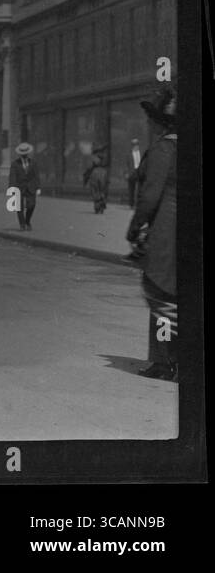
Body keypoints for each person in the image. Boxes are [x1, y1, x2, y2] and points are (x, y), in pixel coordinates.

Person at [127, 88, 177, 381]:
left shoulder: (163, 149)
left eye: (152, 119)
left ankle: (163, 363)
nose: (149, 123)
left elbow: (149, 197)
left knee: (159, 294)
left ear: (161, 122)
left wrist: (134, 227)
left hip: (167, 232)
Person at [8, 141, 40, 230]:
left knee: (31, 205)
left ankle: (27, 221)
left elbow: (36, 175)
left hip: (31, 187)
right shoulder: (15, 164)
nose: (24, 155)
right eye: (23, 154)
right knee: (19, 207)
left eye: (26, 153)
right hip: (19, 187)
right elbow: (12, 176)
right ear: (20, 154)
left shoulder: (33, 163)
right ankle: (22, 224)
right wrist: (12, 188)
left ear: (28, 153)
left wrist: (38, 187)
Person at [82, 146, 109, 214]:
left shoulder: (93, 157)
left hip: (95, 173)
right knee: (102, 189)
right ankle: (102, 204)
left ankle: (97, 206)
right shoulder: (105, 157)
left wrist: (85, 179)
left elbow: (89, 168)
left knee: (95, 190)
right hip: (103, 173)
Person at [125, 137, 143, 207]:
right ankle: (131, 204)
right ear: (132, 146)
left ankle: (139, 203)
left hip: (139, 172)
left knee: (140, 189)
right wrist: (126, 173)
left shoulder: (141, 153)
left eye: (137, 145)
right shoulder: (129, 154)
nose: (136, 146)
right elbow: (126, 164)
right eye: (134, 145)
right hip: (132, 172)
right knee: (131, 189)